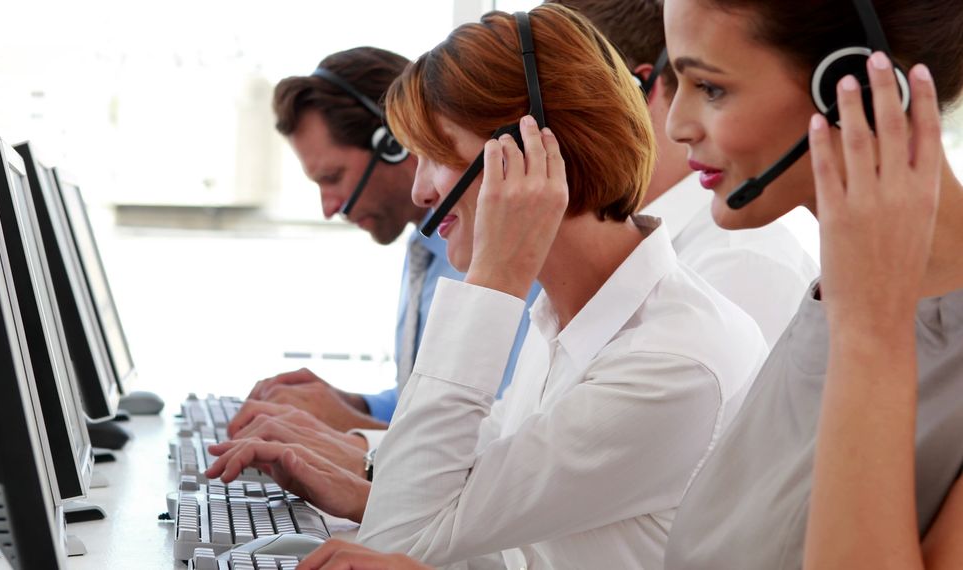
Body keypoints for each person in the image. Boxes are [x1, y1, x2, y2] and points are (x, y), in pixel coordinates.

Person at [210, 6, 767, 567]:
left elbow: (401, 533)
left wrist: (494, 281)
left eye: (437, 154)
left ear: (533, 152)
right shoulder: (568, 317)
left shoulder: (669, 363)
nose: (423, 190)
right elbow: (504, 528)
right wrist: (358, 483)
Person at [654, 0, 963, 568]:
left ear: (861, 89)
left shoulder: (865, 321)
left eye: (710, 86)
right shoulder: (831, 302)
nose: (675, 124)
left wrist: (870, 334)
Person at [246, 47, 537, 433]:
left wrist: (352, 428)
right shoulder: (425, 248)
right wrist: (354, 405)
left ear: (395, 144)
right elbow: (426, 404)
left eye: (332, 178)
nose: (329, 208)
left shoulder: (499, 253)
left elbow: (496, 437)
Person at [547, 0, 818, 348]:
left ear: (630, 91)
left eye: (709, 87)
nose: (679, 126)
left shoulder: (741, 263)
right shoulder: (585, 266)